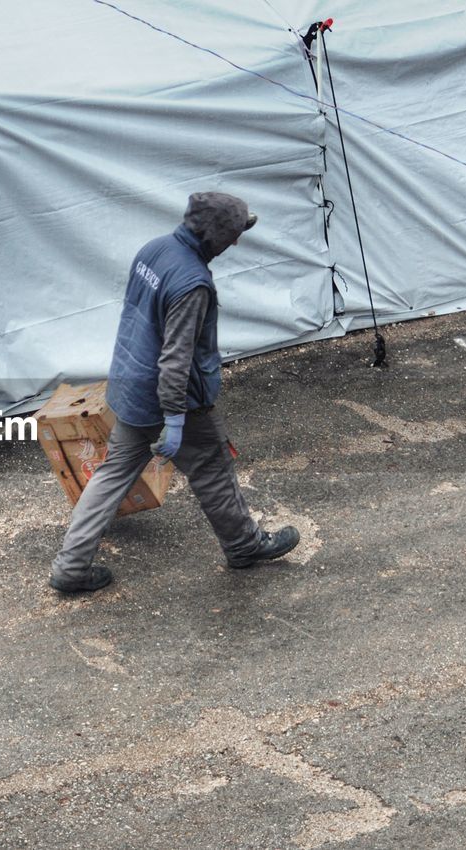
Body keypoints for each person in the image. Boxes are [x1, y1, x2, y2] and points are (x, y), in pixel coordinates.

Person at [50, 191, 299, 594]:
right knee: (213, 470)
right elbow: (176, 359)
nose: (236, 242)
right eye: (234, 234)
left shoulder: (154, 250)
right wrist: (175, 418)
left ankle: (71, 566)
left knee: (112, 475)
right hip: (172, 397)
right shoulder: (193, 283)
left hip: (129, 384)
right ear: (214, 236)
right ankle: (243, 546)